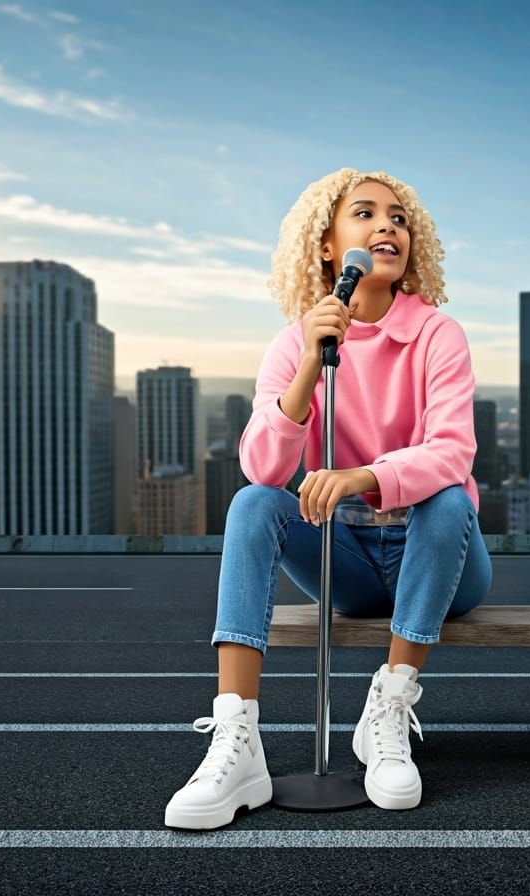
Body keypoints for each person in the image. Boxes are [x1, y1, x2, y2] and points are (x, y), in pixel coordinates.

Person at [164, 168, 493, 830]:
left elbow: (453, 452)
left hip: (437, 560)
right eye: (366, 215)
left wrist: (362, 476)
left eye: (398, 218)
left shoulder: (437, 335)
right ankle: (237, 741)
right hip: (344, 561)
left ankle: (389, 709)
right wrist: (314, 359)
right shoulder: (294, 343)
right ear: (326, 245)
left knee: (450, 499)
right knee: (254, 505)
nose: (386, 227)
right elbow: (263, 465)